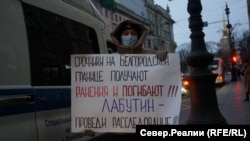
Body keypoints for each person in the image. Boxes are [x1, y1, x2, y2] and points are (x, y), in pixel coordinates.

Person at [83, 20, 168, 140]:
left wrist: (163, 58)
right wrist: (92, 122)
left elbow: (164, 86)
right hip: (120, 130)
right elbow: (104, 96)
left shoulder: (151, 56)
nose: (130, 36)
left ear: (139, 36)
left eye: (133, 33)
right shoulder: (110, 62)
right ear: (119, 37)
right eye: (126, 33)